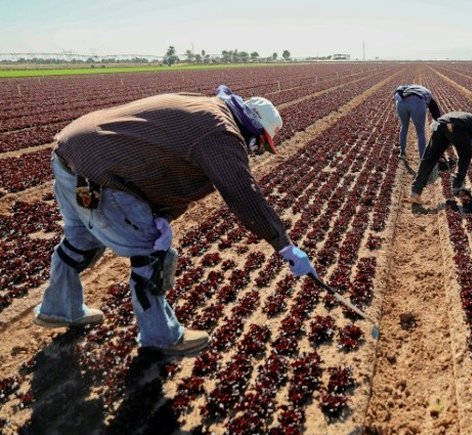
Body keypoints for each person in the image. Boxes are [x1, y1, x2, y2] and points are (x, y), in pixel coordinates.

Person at [33, 85, 317, 356]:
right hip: (101, 174)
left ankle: (59, 308)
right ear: (253, 130)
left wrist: (164, 216)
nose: (256, 151)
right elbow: (243, 194)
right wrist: (283, 245)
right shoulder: (220, 134)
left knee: (80, 241)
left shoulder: (207, 109)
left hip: (70, 151)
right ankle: (161, 337)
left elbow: (167, 169)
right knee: (151, 256)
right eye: (261, 144)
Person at [409, 111, 472, 204]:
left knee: (430, 157)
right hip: (456, 127)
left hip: (441, 123)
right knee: (466, 154)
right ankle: (458, 186)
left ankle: (415, 192)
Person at [394, 84, 442, 159]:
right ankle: (422, 158)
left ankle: (402, 153)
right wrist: (438, 122)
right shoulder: (428, 94)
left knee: (404, 126)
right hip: (417, 102)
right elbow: (436, 113)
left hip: (401, 103)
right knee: (420, 132)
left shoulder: (407, 87)